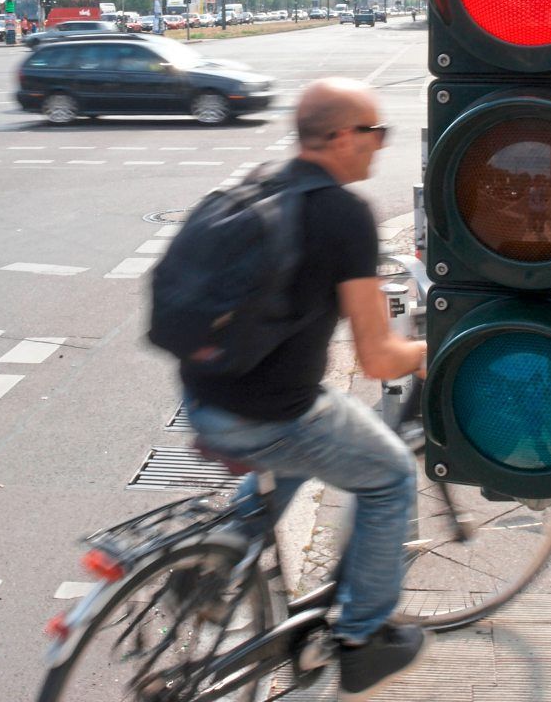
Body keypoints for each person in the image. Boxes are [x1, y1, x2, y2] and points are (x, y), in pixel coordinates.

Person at [183, 78, 429, 700]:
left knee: (297, 450)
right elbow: (377, 359)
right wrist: (432, 350)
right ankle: (362, 637)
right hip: (273, 413)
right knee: (391, 474)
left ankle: (222, 552)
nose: (380, 145)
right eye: (375, 132)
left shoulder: (259, 185)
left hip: (206, 400)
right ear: (341, 136)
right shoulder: (344, 214)